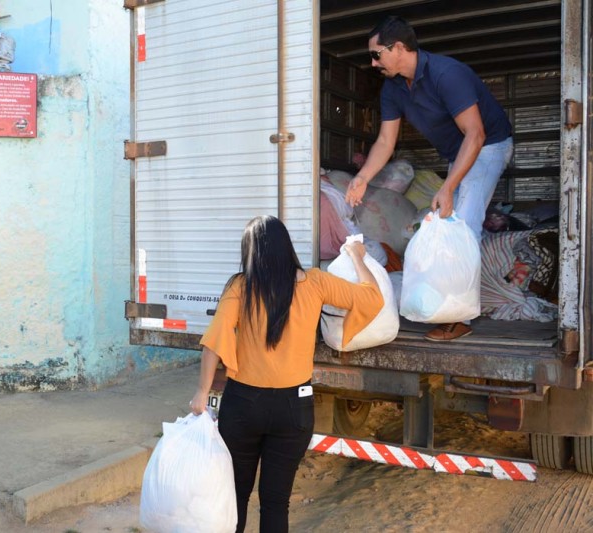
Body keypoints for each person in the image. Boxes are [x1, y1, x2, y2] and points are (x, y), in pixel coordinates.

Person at [189, 215, 383, 533]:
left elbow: (214, 341)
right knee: (276, 503)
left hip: (243, 407)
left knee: (233, 498)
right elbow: (372, 298)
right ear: (286, 247)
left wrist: (201, 392)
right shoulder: (315, 282)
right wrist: (359, 258)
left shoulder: (240, 286)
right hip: (293, 408)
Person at [345, 15, 513, 342]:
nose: (373, 62)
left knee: (463, 223)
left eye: (376, 54)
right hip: (460, 152)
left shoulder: (447, 75)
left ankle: (458, 317)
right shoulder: (393, 87)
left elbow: (476, 134)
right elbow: (384, 142)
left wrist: (448, 187)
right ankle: (444, 303)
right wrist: (363, 176)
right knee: (445, 220)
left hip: (489, 145)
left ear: (399, 49)